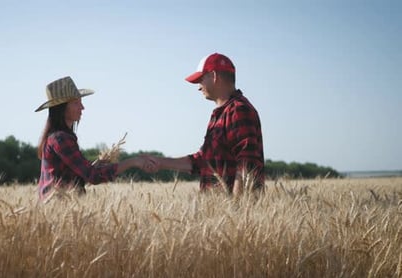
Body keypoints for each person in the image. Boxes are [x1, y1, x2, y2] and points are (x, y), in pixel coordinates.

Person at [151, 53, 264, 196]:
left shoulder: (238, 110)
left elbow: (247, 164)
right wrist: (160, 163)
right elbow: (203, 160)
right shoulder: (220, 114)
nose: (199, 87)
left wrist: (237, 207)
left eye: (200, 80)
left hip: (232, 211)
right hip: (219, 210)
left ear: (214, 76)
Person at [35, 76, 156, 201]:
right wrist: (133, 162)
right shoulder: (60, 139)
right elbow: (92, 176)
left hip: (58, 205)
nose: (82, 107)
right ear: (62, 108)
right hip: (57, 207)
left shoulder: (57, 137)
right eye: (76, 103)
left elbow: (79, 176)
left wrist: (98, 164)